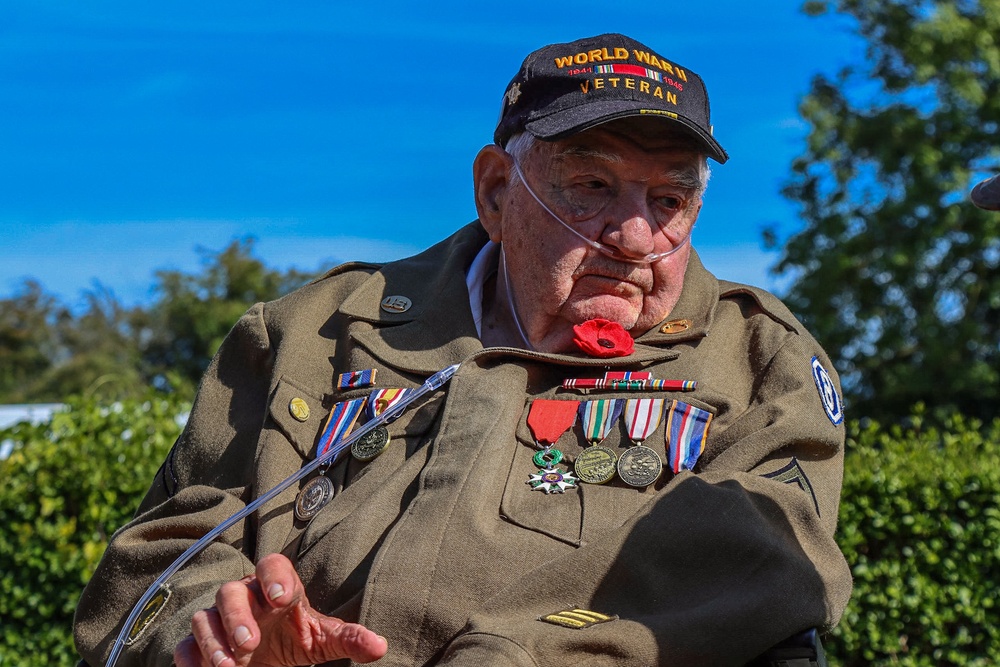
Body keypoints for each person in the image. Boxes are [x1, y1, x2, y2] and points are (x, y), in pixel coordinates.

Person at [74, 33, 853, 667]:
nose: (636, 237)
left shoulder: (759, 359)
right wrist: (216, 634)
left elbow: (765, 566)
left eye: (670, 200)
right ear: (496, 192)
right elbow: (166, 547)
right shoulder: (314, 328)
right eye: (592, 184)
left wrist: (512, 655)